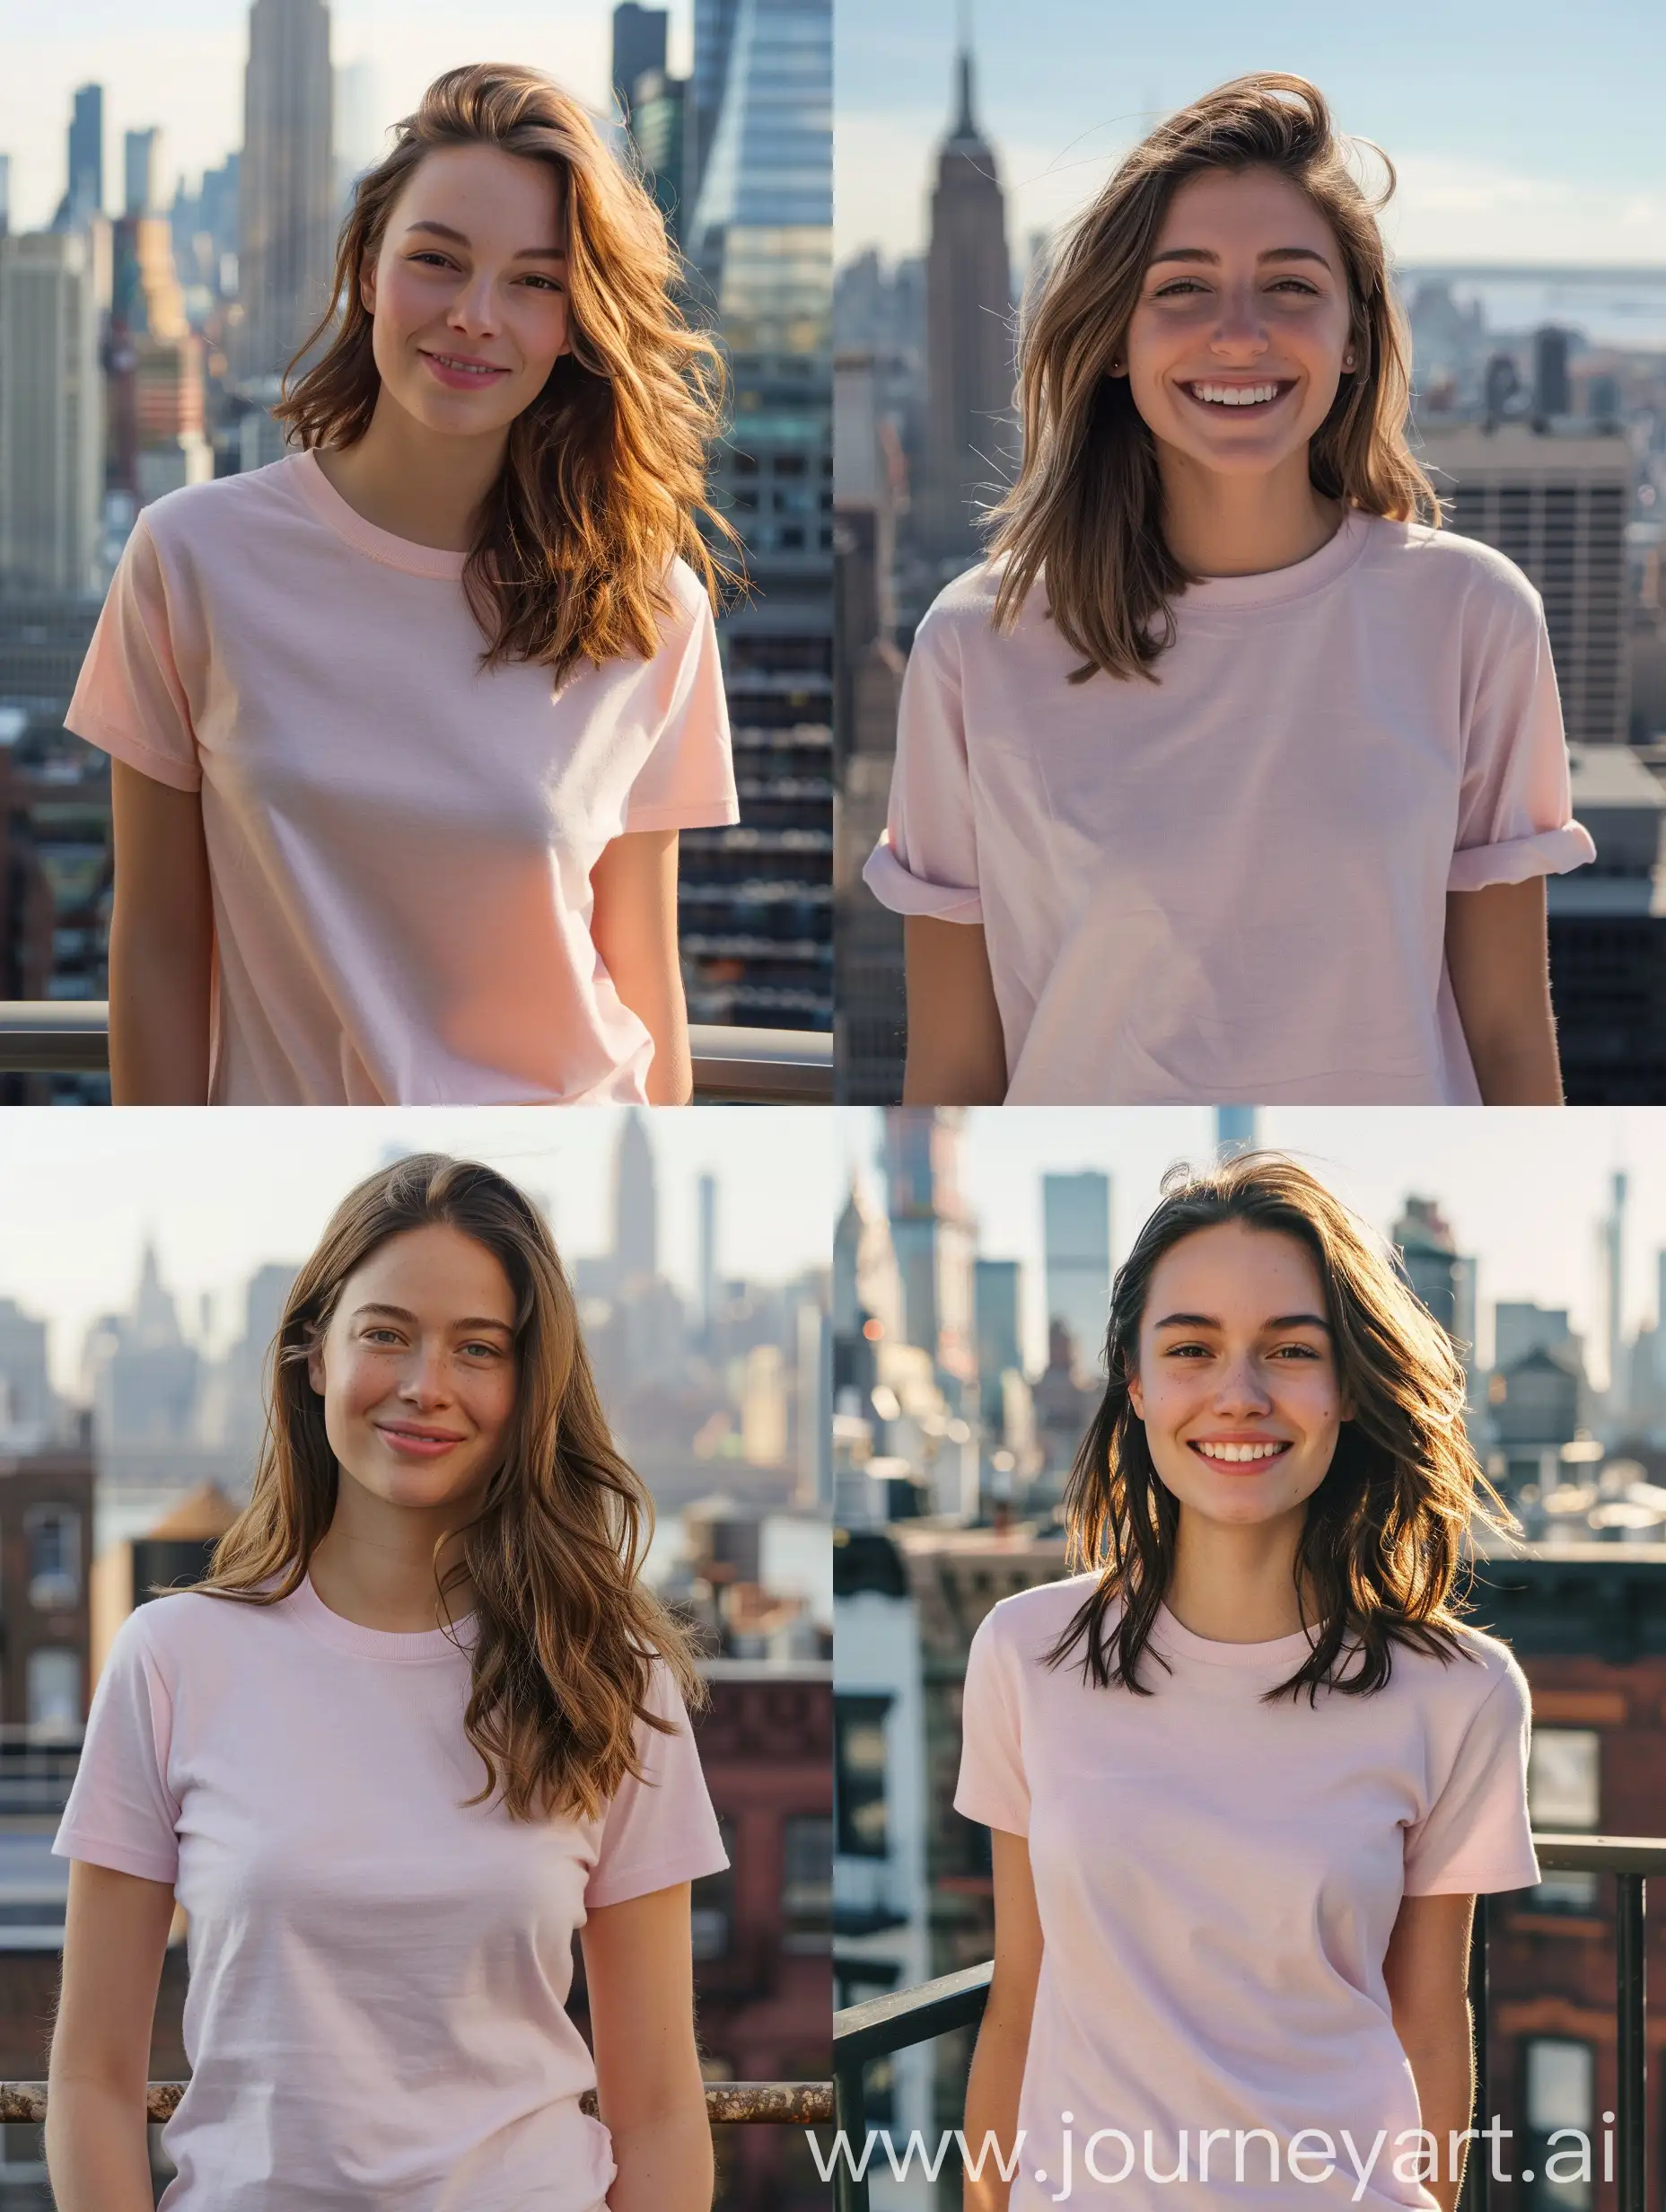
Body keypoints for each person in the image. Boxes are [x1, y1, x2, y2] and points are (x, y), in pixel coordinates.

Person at [864, 75, 1594, 1108]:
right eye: (1182, 287)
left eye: (1291, 285)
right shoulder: (972, 647)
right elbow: (950, 1076)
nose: (1239, 332)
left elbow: (1512, 1044)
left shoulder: (1472, 619)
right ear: (1115, 339)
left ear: (1353, 336)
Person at [48, 1154, 729, 2212]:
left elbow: (658, 2109)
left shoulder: (609, 1674)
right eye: (385, 1333)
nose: (426, 1385)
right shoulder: (170, 1656)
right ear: (313, 1351)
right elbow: (91, 2076)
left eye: (478, 1349)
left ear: (527, 1382)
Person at [73, 63, 741, 1106]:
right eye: (438, 260)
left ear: (577, 321)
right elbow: (156, 942)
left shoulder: (652, 608)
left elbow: (644, 973)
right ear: (370, 270)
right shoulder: (189, 557)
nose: (476, 315)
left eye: (534, 280)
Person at [955, 1154, 1539, 2212]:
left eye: (1289, 1350)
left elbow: (1427, 2026)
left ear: (1349, 1389)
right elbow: (1019, 1996)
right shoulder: (1021, 1652)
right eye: (1191, 1348)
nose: (1239, 1393)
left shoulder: (1462, 1693)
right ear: (1133, 1384)